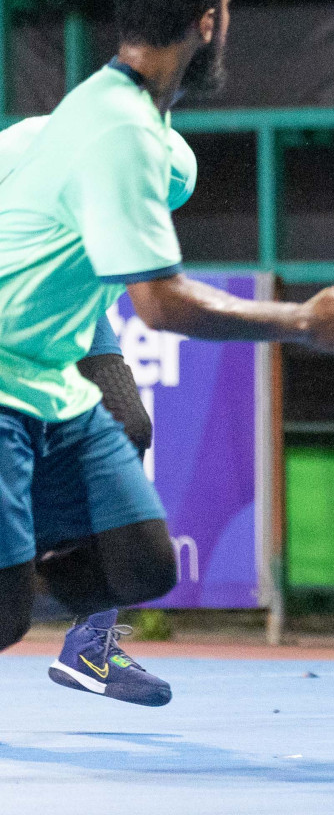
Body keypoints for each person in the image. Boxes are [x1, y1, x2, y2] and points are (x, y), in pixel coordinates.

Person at [0, 0, 334, 672]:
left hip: (50, 376)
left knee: (145, 564)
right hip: (6, 374)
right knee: (5, 614)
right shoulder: (119, 136)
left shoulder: (136, 127)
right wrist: (305, 322)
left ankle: (65, 626)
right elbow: (161, 305)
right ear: (211, 18)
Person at [2, 114, 193, 705]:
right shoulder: (21, 158)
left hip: (76, 315)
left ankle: (90, 644)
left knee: (128, 425)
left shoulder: (172, 167)